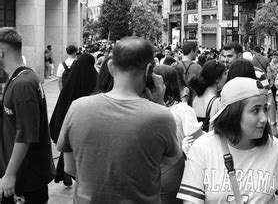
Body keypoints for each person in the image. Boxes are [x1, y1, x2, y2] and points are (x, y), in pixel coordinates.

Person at [56, 37, 180, 203]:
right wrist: (160, 103)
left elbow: (70, 167)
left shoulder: (77, 108)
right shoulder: (160, 116)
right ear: (149, 69)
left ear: (110, 66)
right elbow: (170, 160)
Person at [177, 77, 278, 203]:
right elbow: (191, 201)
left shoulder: (274, 148)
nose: (264, 118)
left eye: (265, 108)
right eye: (255, 110)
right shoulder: (203, 148)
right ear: (233, 113)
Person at [0, 27, 55, 203]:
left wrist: (9, 175)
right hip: (22, 176)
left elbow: (25, 135)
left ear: (1, 52)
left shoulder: (23, 84)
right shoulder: (20, 77)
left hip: (25, 180)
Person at [153, 65, 203, 204]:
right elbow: (197, 140)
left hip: (149, 169)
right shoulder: (183, 110)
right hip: (175, 169)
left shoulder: (145, 109)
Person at [49, 53, 97, 186]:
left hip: (70, 121)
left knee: (68, 147)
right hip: (88, 122)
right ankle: (72, 175)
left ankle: (66, 173)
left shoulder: (71, 80)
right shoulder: (95, 77)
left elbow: (62, 104)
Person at [188, 59, 227, 132]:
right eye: (225, 73)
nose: (227, 76)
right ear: (217, 79)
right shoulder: (217, 102)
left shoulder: (196, 98)